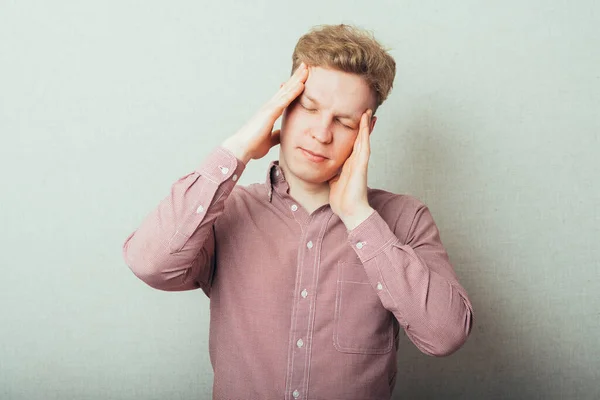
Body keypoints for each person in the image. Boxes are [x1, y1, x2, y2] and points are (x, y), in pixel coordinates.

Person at [123, 23, 474, 400]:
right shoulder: (226, 212)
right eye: (309, 108)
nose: (321, 133)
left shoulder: (404, 219)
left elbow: (444, 335)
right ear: (283, 105)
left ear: (367, 131)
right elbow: (150, 263)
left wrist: (360, 218)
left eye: (343, 122)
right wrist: (239, 147)